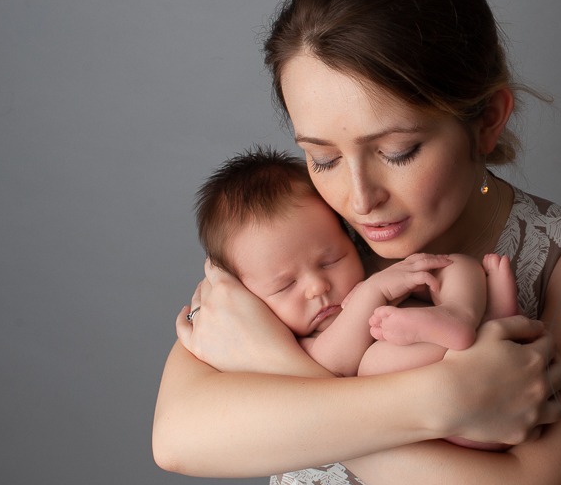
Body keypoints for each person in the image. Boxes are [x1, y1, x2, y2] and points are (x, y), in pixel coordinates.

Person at [153, 0, 561, 485]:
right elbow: (180, 438)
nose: (359, 197)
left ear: (488, 121)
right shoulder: (305, 235)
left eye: (400, 150)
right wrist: (449, 395)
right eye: (322, 157)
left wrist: (279, 366)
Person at [193, 148, 519, 452]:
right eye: (285, 286)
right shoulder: (293, 345)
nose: (317, 287)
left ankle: (467, 316)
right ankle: (481, 328)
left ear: (348, 238)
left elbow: (424, 275)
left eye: (330, 260)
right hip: (461, 414)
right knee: (373, 364)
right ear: (248, 298)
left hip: (488, 370)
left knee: (450, 265)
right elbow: (332, 368)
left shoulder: (372, 271)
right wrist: (372, 293)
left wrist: (418, 281)